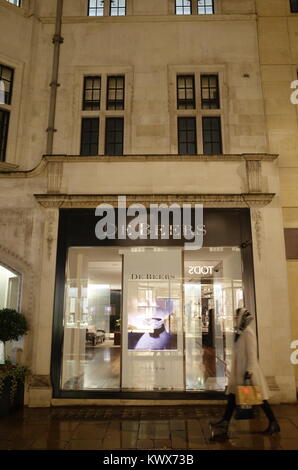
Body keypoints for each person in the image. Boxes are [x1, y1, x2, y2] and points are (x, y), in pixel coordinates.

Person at [210, 307, 280, 439]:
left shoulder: (248, 332)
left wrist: (249, 371)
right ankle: (225, 422)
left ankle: (273, 422)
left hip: (247, 372)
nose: (235, 319)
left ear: (242, 318)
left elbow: (252, 354)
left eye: (237, 317)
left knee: (260, 399)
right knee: (232, 397)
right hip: (239, 371)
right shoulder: (241, 332)